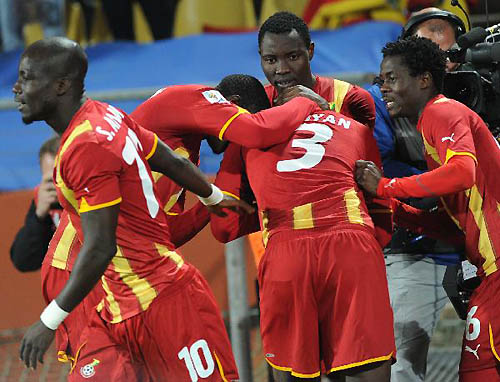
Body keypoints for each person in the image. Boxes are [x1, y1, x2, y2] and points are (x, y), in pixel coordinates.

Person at [13, 37, 258, 381]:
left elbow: (104, 245)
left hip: (155, 296)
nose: (16, 89)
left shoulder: (87, 144)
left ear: (60, 86)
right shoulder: (107, 117)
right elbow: (165, 158)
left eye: (26, 78)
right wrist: (213, 198)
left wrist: (48, 321)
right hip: (108, 298)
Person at [211, 74, 396, 382]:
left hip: (288, 250)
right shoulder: (356, 127)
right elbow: (379, 202)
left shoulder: (243, 139)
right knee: (367, 364)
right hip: (352, 244)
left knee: (295, 372)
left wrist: (268, 212)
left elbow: (224, 226)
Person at [356, 36, 500, 382]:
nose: (384, 88)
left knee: (478, 371)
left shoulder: (441, 110)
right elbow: (457, 227)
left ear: (423, 80)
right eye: (381, 80)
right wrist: (397, 209)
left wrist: (387, 186)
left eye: (392, 78)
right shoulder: (432, 121)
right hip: (489, 268)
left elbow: (462, 173)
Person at [365, 8, 466, 382]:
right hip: (415, 250)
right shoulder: (382, 101)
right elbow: (379, 168)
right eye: (428, 56)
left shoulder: (481, 91)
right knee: (401, 369)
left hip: (483, 251)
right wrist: (443, 185)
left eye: (448, 56)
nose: (440, 67)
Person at [258, 11, 376, 130]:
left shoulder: (352, 98)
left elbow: (365, 146)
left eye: (292, 57)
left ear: (310, 51)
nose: (282, 69)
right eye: (271, 60)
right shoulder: (256, 102)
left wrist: (326, 112)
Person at [10, 135, 62, 271]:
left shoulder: (91, 198)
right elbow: (24, 261)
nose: (58, 187)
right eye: (51, 180)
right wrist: (39, 216)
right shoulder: (45, 200)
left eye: (61, 178)